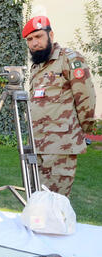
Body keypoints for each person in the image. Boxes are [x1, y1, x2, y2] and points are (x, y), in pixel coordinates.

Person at [22, 16, 96, 196]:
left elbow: (86, 97)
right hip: (36, 145)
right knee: (37, 201)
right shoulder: (37, 67)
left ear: (51, 35)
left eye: (38, 36)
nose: (34, 43)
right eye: (30, 40)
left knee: (55, 203)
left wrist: (79, 130)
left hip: (59, 147)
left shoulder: (69, 59)